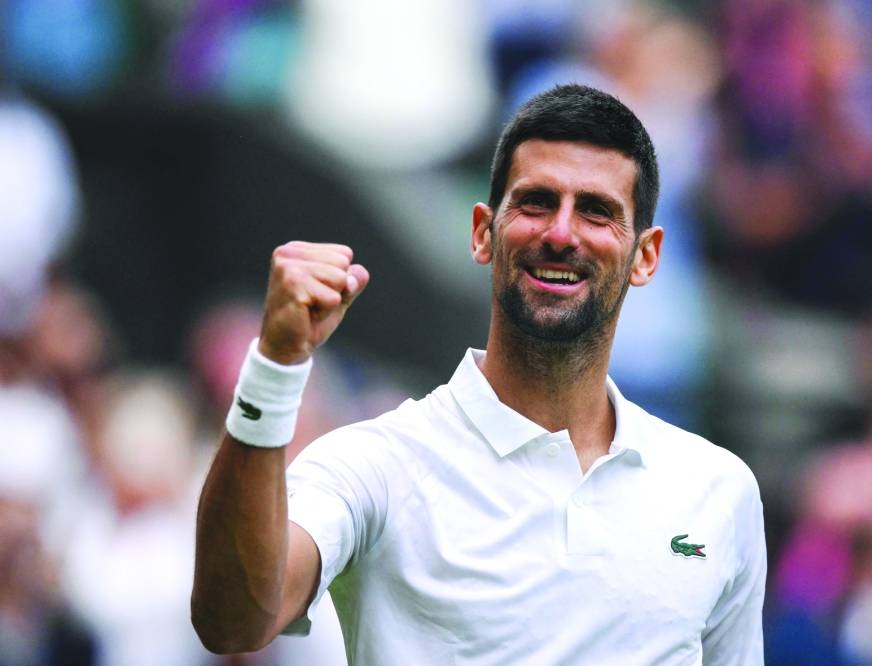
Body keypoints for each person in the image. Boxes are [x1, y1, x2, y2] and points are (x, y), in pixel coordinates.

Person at [191, 84, 766, 664]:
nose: (560, 233)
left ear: (645, 256)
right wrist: (275, 365)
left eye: (596, 211)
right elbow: (234, 620)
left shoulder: (720, 490)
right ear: (482, 232)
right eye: (536, 202)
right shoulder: (376, 465)